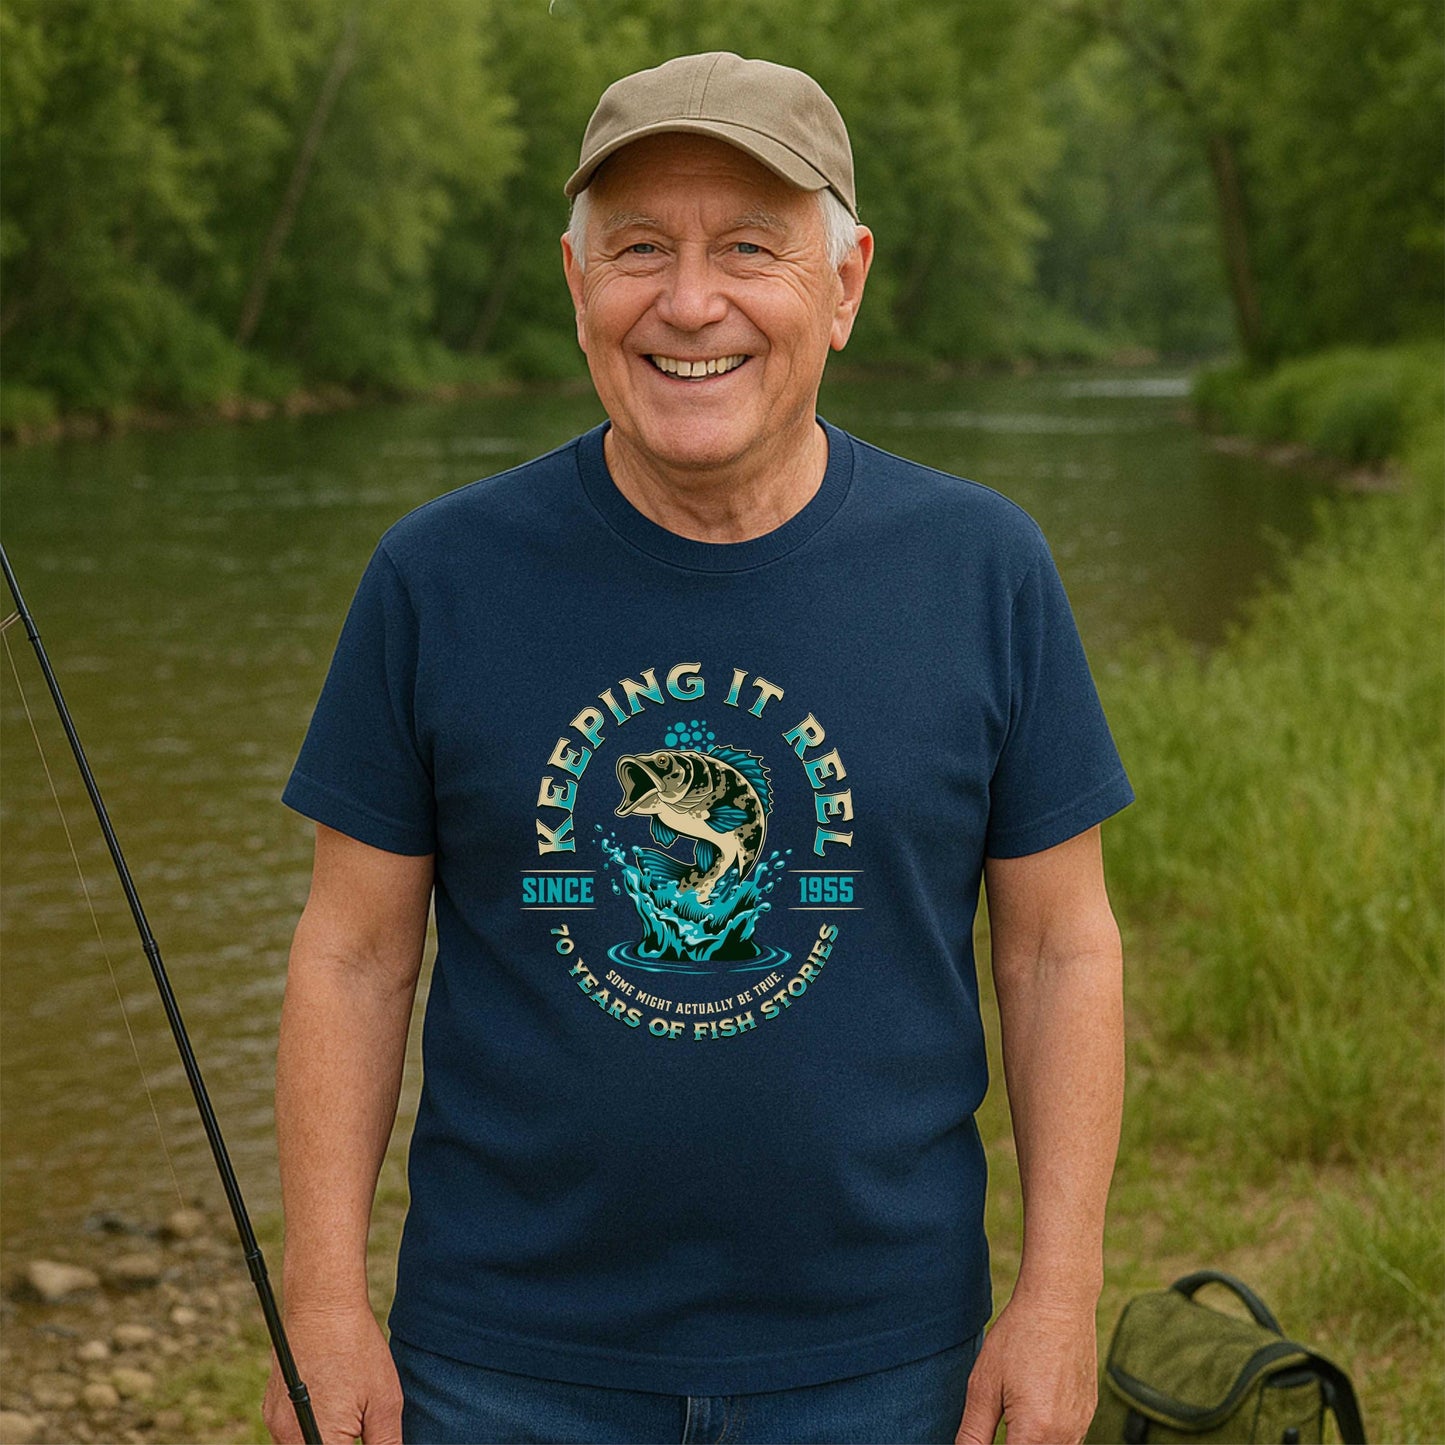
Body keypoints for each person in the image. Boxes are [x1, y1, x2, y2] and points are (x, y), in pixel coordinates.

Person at [263, 51, 1132, 1445]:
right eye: (639, 249)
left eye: (747, 248)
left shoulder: (984, 568)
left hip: (887, 1364)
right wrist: (320, 1301)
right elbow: (353, 954)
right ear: (575, 283)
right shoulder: (434, 577)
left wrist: (1060, 1293)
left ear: (842, 284)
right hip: (496, 1365)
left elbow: (1059, 951)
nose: (687, 301)